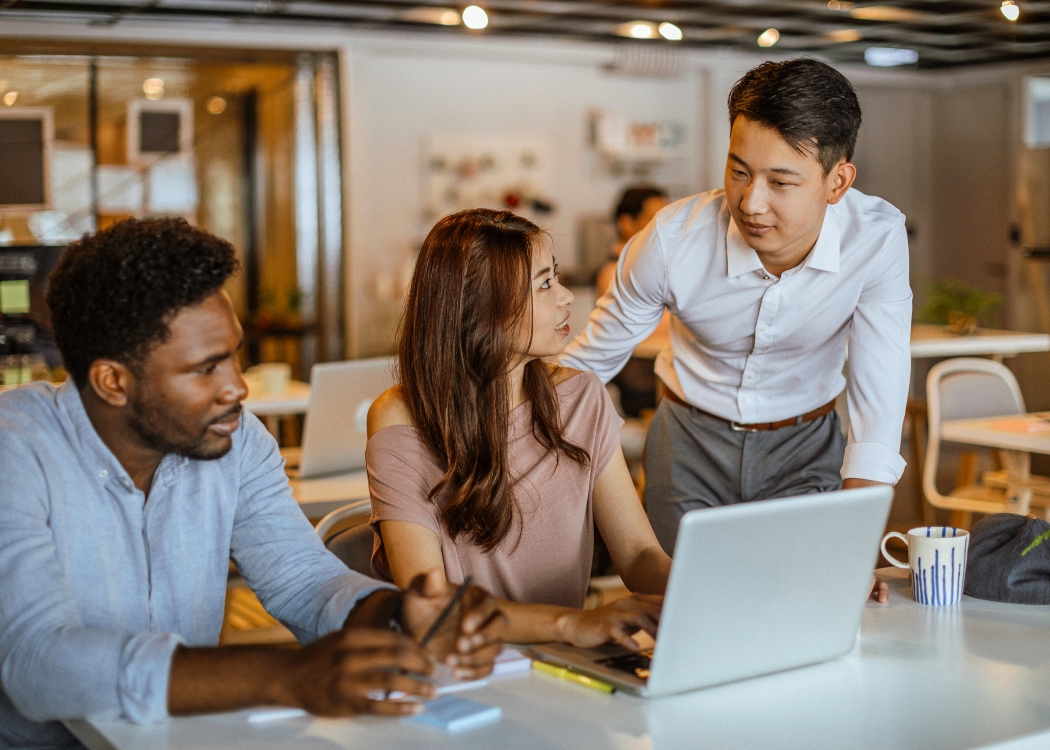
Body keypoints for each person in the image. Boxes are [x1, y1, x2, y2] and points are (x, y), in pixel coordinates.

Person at [0, 218, 506, 750]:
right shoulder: (16, 450)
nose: (237, 387)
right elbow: (36, 662)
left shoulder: (237, 441)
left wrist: (396, 613)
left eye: (235, 355)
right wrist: (280, 676)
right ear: (113, 382)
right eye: (206, 369)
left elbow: (302, 580)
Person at [559, 58, 911, 570]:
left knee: (802, 605)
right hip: (687, 445)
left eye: (781, 182)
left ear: (837, 182)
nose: (751, 202)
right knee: (682, 615)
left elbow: (878, 404)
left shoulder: (875, 240)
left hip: (806, 448)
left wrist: (854, 555)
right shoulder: (670, 241)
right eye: (739, 171)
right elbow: (587, 366)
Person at [367, 209, 671, 651]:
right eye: (545, 284)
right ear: (480, 306)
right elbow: (430, 602)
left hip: (563, 663)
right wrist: (569, 625)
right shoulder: (400, 416)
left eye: (557, 278)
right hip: (460, 666)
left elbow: (639, 555)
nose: (566, 297)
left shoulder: (582, 397)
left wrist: (697, 592)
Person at [597, 186, 671, 419]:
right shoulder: (613, 272)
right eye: (655, 220)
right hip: (642, 379)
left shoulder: (650, 265)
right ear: (627, 222)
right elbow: (652, 329)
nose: (665, 228)